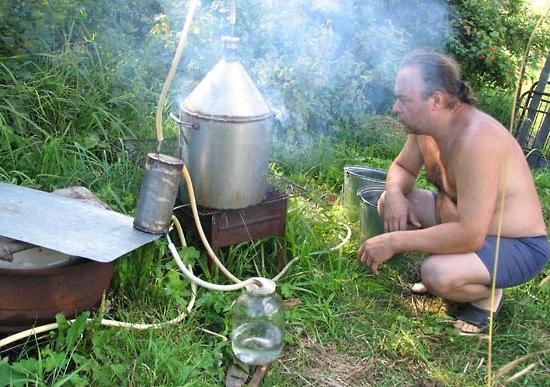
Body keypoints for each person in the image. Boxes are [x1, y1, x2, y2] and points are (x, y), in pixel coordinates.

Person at [357, 50, 549, 334]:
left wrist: (394, 241)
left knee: (436, 273)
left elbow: (470, 234)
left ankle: (486, 296)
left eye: (404, 100)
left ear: (436, 99)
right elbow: (402, 167)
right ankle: (466, 270)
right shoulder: (423, 127)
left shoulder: (477, 141)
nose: (395, 107)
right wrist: (396, 191)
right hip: (464, 222)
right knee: (389, 200)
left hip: (516, 244)